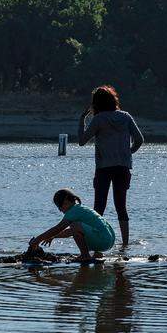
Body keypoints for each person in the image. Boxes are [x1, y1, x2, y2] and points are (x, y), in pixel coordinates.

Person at [77, 85, 143, 246]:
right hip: (123, 167)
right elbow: (139, 140)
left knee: (99, 207)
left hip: (104, 168)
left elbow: (82, 141)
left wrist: (82, 120)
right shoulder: (126, 117)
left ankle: (96, 242)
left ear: (96, 103)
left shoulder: (99, 119)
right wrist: (128, 153)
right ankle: (125, 244)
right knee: (121, 206)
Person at [28, 188, 116, 262]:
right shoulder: (80, 208)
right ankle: (97, 254)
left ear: (66, 201)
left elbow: (58, 228)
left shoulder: (73, 211)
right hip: (108, 241)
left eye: (59, 206)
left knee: (74, 226)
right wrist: (52, 237)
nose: (59, 210)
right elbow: (70, 232)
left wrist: (37, 240)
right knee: (74, 227)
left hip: (102, 240)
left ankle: (85, 255)